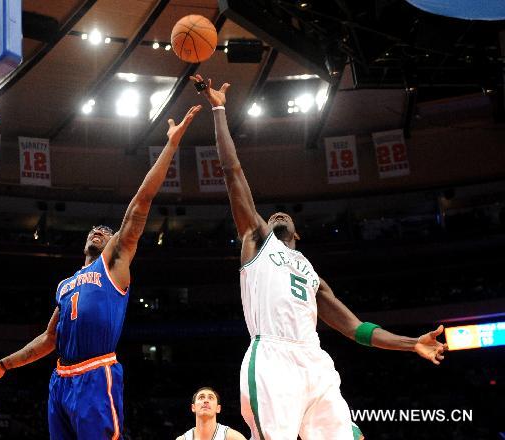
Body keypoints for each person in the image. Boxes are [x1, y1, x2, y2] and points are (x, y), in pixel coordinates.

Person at [190, 73, 448, 440]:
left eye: (286, 217)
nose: (277, 215)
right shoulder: (258, 239)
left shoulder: (312, 275)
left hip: (314, 360)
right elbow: (232, 174)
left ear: (298, 234)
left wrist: (411, 343)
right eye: (273, 213)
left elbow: (355, 329)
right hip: (272, 357)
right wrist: (218, 111)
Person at [0, 105, 202, 440]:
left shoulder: (113, 264)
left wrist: (171, 145)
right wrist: (5, 364)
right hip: (60, 380)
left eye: (106, 230)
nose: (98, 229)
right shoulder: (65, 286)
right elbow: (50, 339)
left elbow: (141, 202)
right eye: (93, 228)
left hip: (96, 373)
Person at [176, 387, 247, 440]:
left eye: (211, 398)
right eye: (201, 397)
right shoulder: (182, 439)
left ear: (218, 408)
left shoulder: (233, 437)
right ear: (193, 407)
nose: (206, 401)